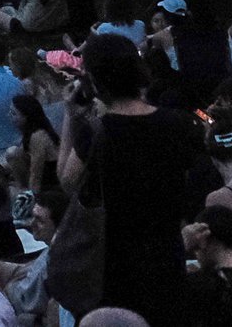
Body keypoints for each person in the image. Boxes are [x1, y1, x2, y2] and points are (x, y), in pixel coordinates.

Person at [59, 32, 203, 323]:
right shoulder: (179, 124)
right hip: (166, 250)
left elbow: (67, 181)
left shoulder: (97, 132)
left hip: (113, 260)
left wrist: (71, 117)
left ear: (95, 81)